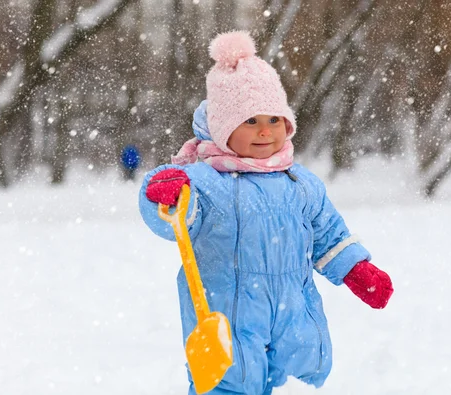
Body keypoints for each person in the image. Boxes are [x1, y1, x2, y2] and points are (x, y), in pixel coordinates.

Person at [139, 31, 393, 395]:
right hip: (227, 316)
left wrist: (355, 268)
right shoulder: (208, 182)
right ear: (224, 129)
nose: (265, 131)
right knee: (230, 383)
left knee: (294, 380)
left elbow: (328, 234)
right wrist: (163, 194)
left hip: (293, 314)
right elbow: (175, 215)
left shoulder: (300, 183)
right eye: (250, 121)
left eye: (274, 120)